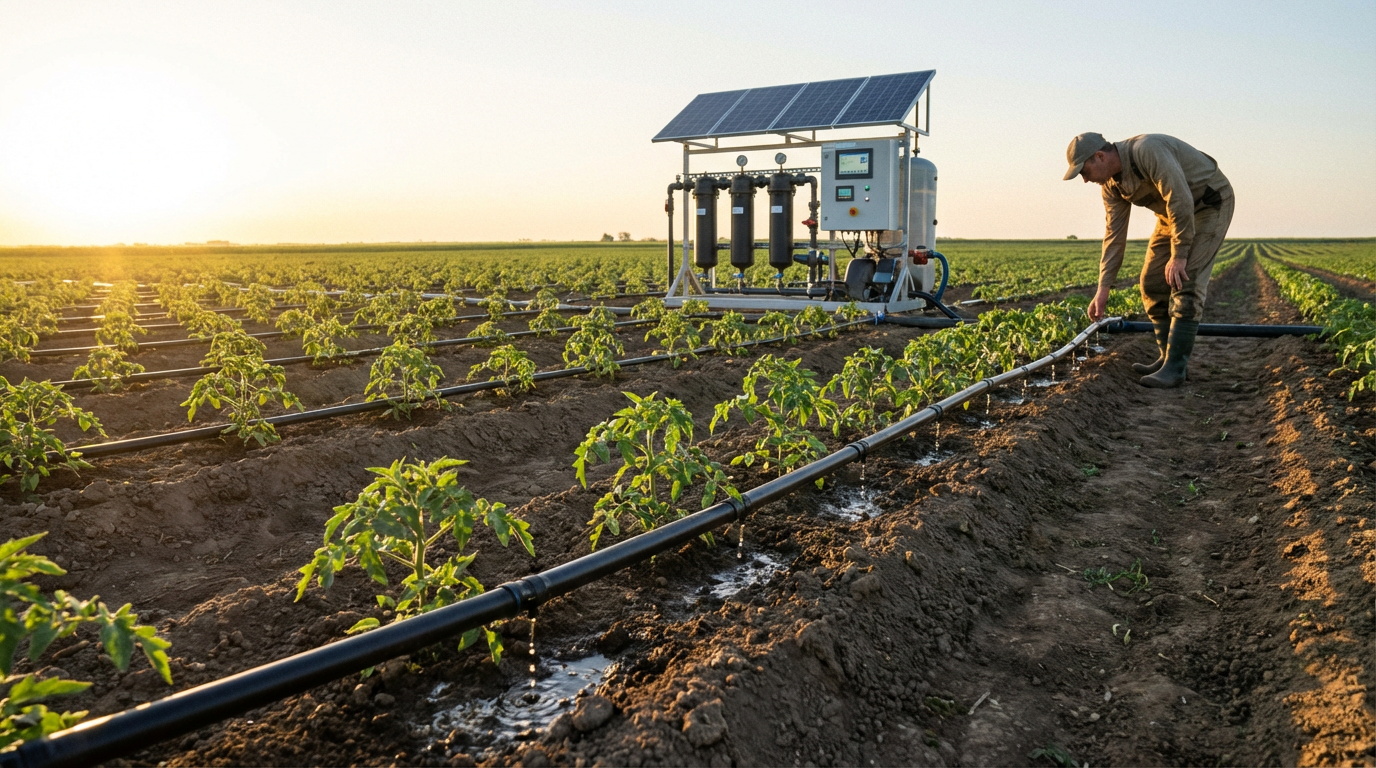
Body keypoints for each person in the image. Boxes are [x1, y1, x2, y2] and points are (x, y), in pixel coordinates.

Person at [1065, 132, 1234, 388]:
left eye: (1084, 171)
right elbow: (1114, 235)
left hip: (1208, 205)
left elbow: (1180, 197)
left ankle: (1176, 368)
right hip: (1171, 216)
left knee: (1185, 282)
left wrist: (1179, 254)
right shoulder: (1112, 185)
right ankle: (1167, 357)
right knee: (1152, 282)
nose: (1086, 180)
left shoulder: (1147, 150)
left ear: (1099, 156)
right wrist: (1103, 288)